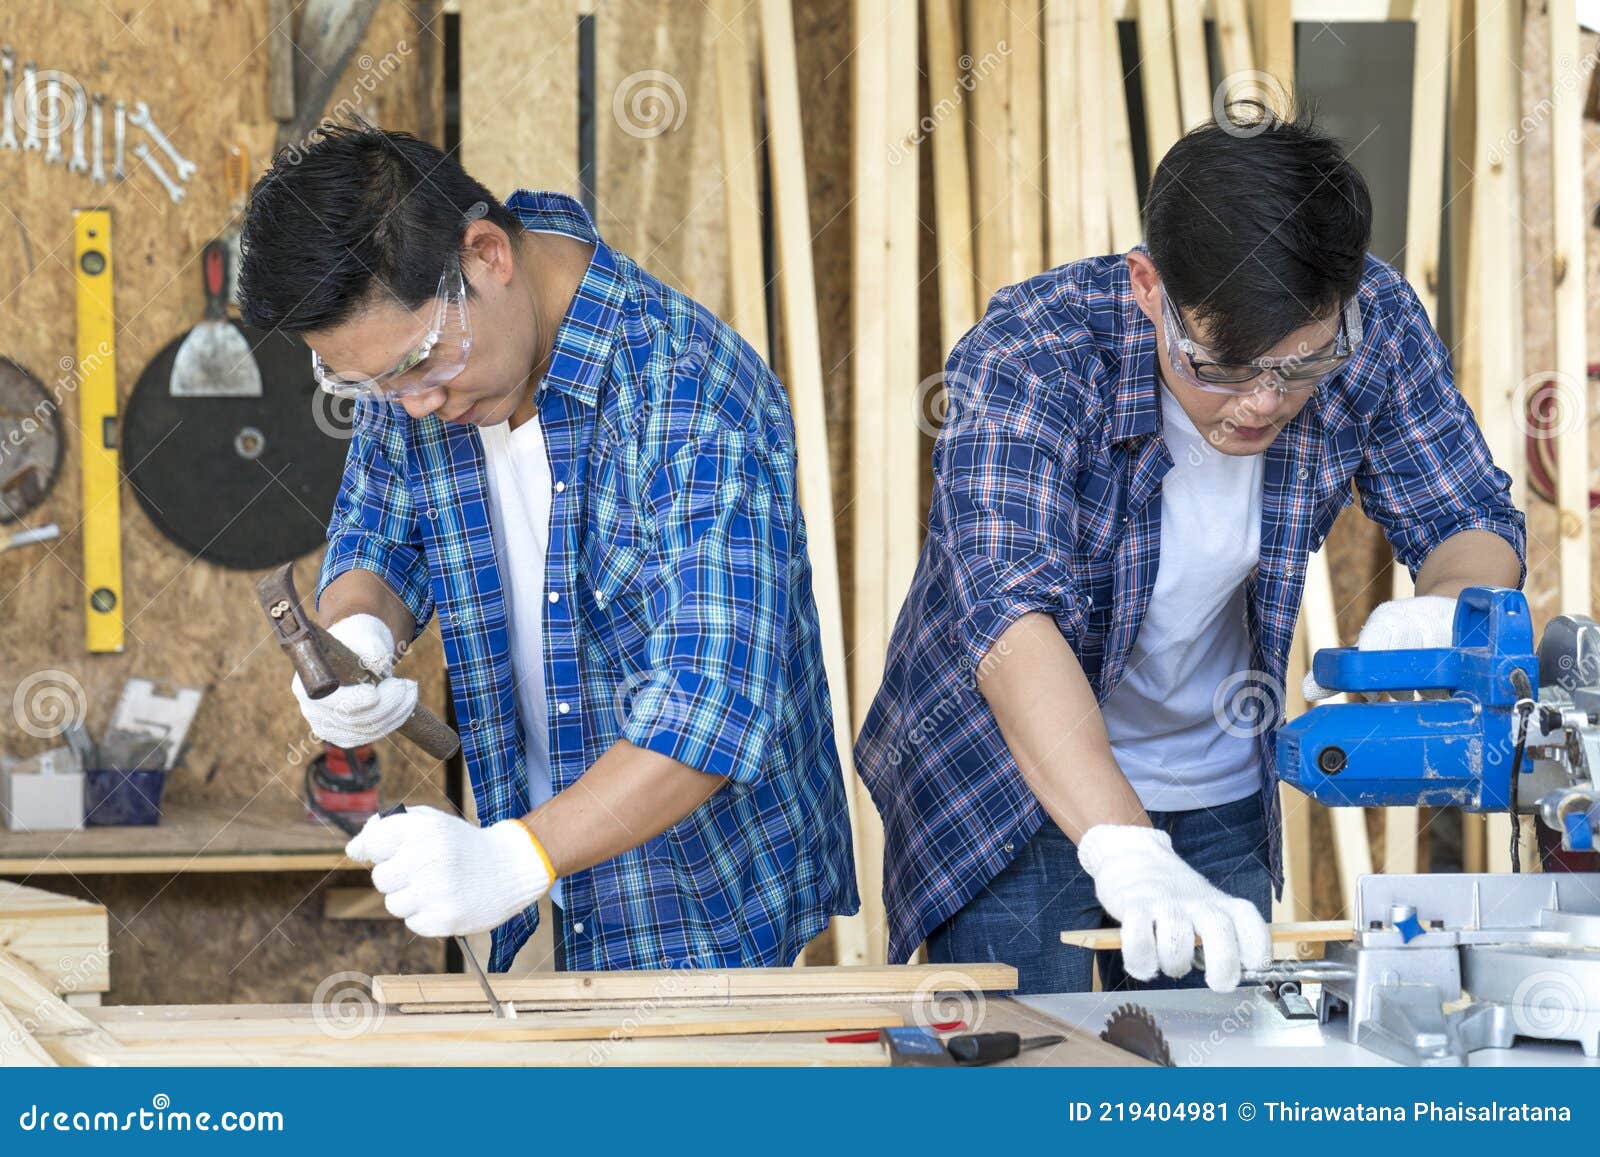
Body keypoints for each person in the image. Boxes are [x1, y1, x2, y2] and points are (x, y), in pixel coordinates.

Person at [854, 108, 1526, 994]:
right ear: (1146, 285)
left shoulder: (1374, 322)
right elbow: (1006, 614)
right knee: (1022, 1070)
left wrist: (1453, 606)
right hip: (1006, 775)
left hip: (1216, 775)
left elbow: (1465, 515)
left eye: (1299, 368)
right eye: (1222, 366)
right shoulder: (1035, 350)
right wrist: (1127, 848)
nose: (1260, 404)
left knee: (1207, 1064)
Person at [238, 124, 857, 973]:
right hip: (538, 870)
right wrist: (359, 634)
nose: (410, 406)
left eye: (417, 368)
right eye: (368, 385)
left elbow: (709, 707)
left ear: (487, 254)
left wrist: (511, 859)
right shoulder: (426, 355)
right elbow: (381, 526)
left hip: (700, 896)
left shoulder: (689, 393)